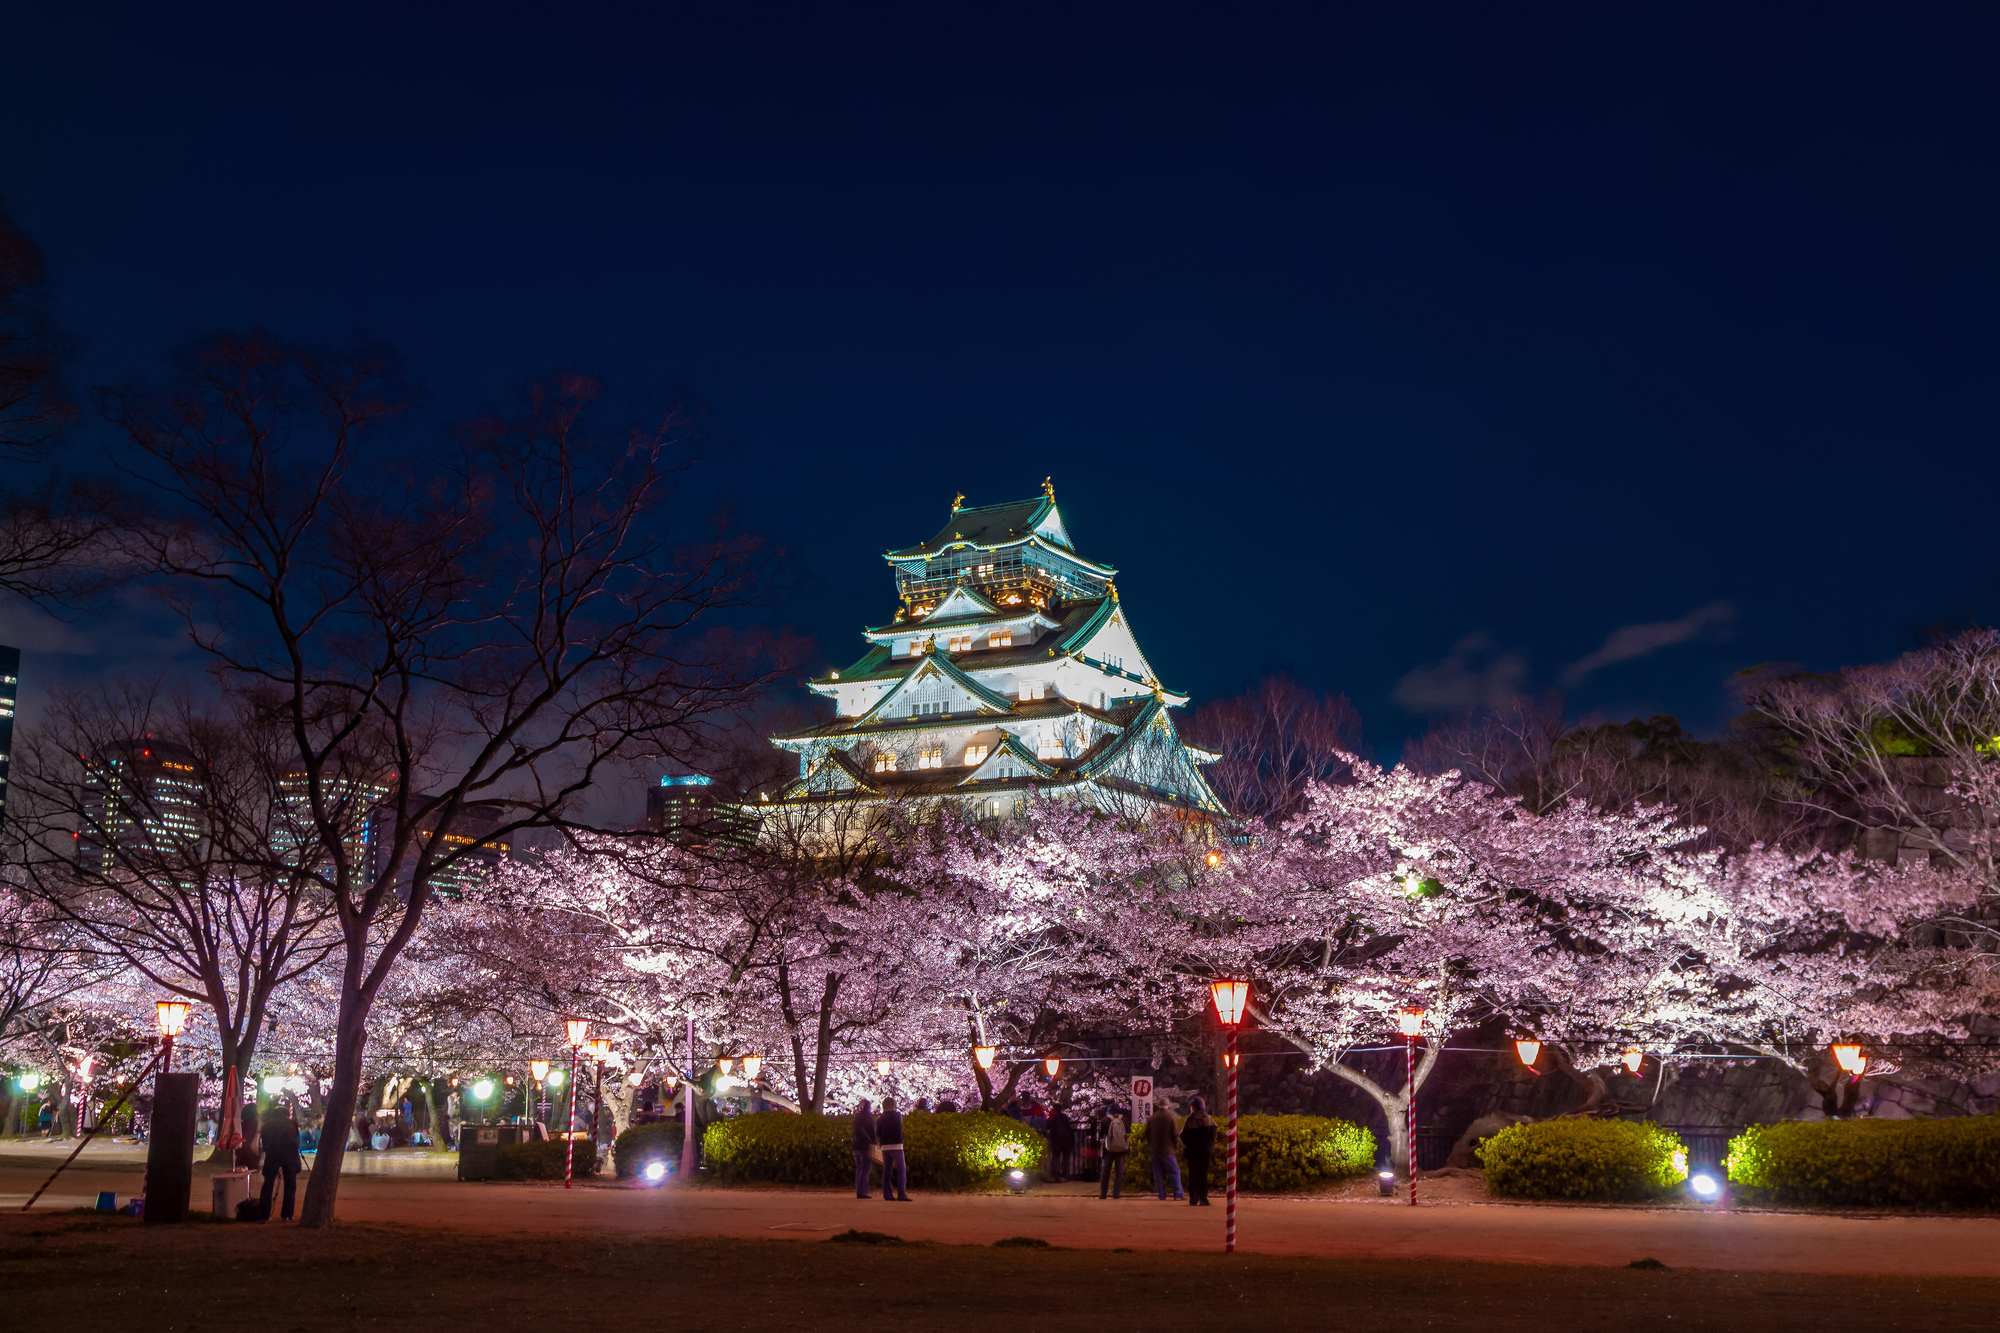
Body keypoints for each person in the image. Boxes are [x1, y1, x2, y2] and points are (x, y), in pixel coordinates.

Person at [257, 1104, 303, 1222]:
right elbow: (296, 1142)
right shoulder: (292, 1124)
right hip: (289, 1156)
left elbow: (264, 1144)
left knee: (268, 1185)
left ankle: (264, 1214)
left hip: (272, 1155)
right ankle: (287, 1214)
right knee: (290, 1186)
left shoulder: (266, 1126)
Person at [1181, 1096, 1216, 1206]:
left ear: (1193, 1107)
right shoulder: (1209, 1119)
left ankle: (1193, 1199)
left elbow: (1183, 1136)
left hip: (1192, 1152)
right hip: (1205, 1152)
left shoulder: (1190, 1120)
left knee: (1193, 1176)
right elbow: (1212, 1135)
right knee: (1203, 1175)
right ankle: (1203, 1199)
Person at [1145, 1101, 1184, 1200]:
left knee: (1157, 1173)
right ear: (1167, 1106)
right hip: (1168, 1150)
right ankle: (1178, 1194)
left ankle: (1161, 1195)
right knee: (1175, 1171)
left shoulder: (1152, 1118)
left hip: (1154, 1150)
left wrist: (1151, 1144)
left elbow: (1147, 1134)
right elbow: (1175, 1133)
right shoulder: (1170, 1117)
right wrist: (1176, 1145)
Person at [876, 1096, 909, 1201]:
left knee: (887, 1170)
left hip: (885, 1146)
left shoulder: (880, 1118)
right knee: (901, 1170)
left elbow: (878, 1133)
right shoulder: (898, 1116)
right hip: (897, 1145)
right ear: (894, 1105)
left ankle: (887, 1194)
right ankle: (901, 1194)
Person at [1097, 1106, 1128, 1199]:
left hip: (1108, 1149)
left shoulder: (1105, 1120)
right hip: (1122, 1149)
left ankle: (1103, 1194)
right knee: (1119, 1171)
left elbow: (1100, 1135)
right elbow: (1128, 1132)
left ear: (1108, 1111)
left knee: (1105, 1171)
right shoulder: (1125, 1120)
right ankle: (1116, 1194)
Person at [851, 1098, 880, 1199]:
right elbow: (872, 1133)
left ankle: (859, 1190)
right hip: (865, 1146)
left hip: (856, 1146)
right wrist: (875, 1143)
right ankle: (862, 1192)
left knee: (859, 1169)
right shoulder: (868, 1118)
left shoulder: (858, 1118)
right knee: (865, 1169)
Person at [1048, 1107, 1075, 1180]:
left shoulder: (1053, 1118)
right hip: (1066, 1139)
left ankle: (1054, 1175)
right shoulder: (1064, 1117)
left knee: (1056, 1157)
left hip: (1056, 1138)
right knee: (1065, 1157)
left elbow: (1048, 1126)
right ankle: (1064, 1176)